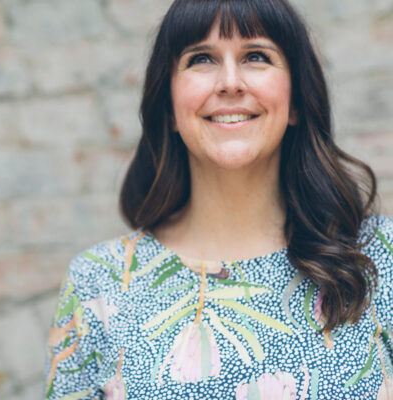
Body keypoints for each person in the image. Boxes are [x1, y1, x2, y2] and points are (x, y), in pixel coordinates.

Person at [43, 0, 393, 398]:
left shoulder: (378, 257)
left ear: (295, 100)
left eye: (256, 56)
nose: (229, 82)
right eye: (202, 59)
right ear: (170, 108)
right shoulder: (99, 284)